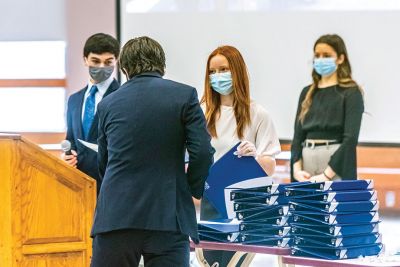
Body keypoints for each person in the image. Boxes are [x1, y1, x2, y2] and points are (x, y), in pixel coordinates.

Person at [90, 36, 214, 267]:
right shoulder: (184, 95)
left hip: (116, 216)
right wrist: (190, 188)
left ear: (124, 68)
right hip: (168, 215)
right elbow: (203, 151)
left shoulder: (107, 104)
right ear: (162, 66)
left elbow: (103, 163)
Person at [199, 45, 281, 266]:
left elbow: (270, 165)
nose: (218, 77)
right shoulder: (202, 111)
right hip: (211, 200)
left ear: (237, 71)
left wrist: (253, 157)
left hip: (244, 203)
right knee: (210, 260)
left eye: (223, 70)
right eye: (212, 72)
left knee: (233, 262)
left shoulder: (258, 113)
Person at [291, 34, 364, 182]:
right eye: (317, 55)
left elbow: (350, 139)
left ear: (340, 58)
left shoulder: (351, 92)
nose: (320, 59)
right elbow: (297, 137)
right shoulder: (307, 92)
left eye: (326, 55)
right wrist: (296, 170)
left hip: (336, 166)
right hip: (306, 165)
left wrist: (326, 175)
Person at [62, 33, 120, 193]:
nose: (101, 67)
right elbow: (71, 140)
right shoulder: (74, 100)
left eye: (108, 62)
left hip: (113, 186)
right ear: (85, 59)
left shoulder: (123, 97)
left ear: (116, 61)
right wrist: (68, 157)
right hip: (79, 184)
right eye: (95, 61)